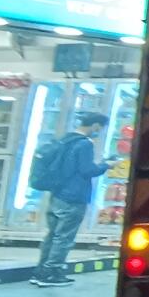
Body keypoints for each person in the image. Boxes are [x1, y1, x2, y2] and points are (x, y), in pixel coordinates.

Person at [31, 112, 112, 287]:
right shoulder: (84, 144)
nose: (100, 131)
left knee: (52, 235)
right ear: (96, 125)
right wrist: (106, 165)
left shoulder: (65, 140)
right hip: (74, 197)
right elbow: (87, 170)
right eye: (101, 128)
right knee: (64, 237)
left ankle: (40, 272)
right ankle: (52, 273)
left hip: (57, 194)